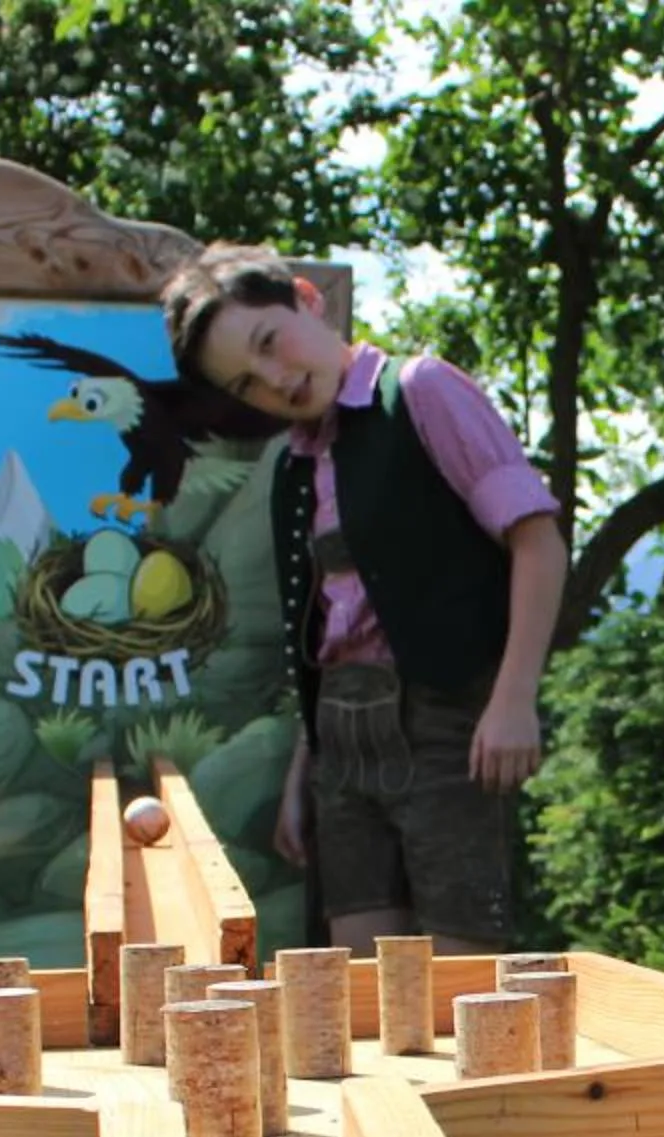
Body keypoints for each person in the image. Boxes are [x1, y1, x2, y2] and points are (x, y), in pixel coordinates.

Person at [160, 244, 567, 956]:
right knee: (359, 989)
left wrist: (513, 700)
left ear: (306, 302)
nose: (277, 380)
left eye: (269, 343)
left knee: (461, 979)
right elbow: (322, 637)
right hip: (340, 748)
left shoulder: (420, 392)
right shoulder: (293, 463)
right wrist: (305, 770)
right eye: (247, 383)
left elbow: (538, 541)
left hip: (446, 727)